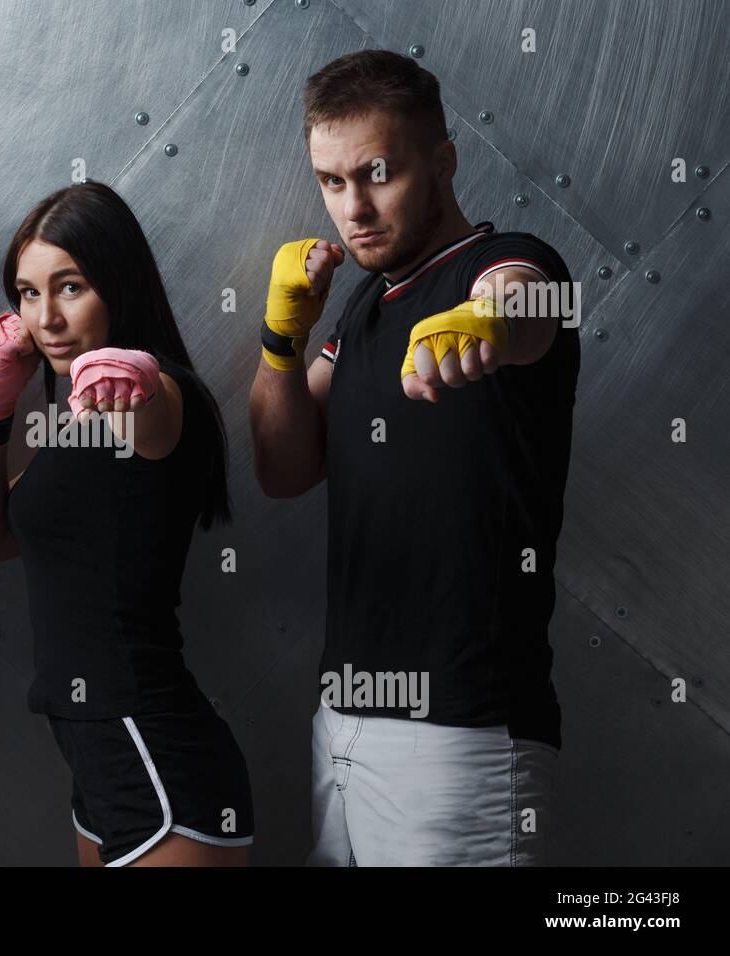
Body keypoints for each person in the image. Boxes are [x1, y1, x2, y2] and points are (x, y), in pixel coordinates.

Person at [250, 49, 579, 866]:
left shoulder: (504, 262)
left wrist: (491, 325)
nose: (353, 208)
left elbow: (530, 294)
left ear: (443, 162)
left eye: (378, 174)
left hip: (463, 733)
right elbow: (283, 470)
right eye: (331, 182)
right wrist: (280, 342)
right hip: (345, 721)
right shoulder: (362, 304)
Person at [0, 180, 253, 866]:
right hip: (100, 762)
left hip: (160, 756)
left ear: (117, 285)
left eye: (70, 287)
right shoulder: (73, 426)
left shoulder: (157, 395)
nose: (46, 318)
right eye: (27, 293)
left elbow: (154, 415)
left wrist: (138, 381)